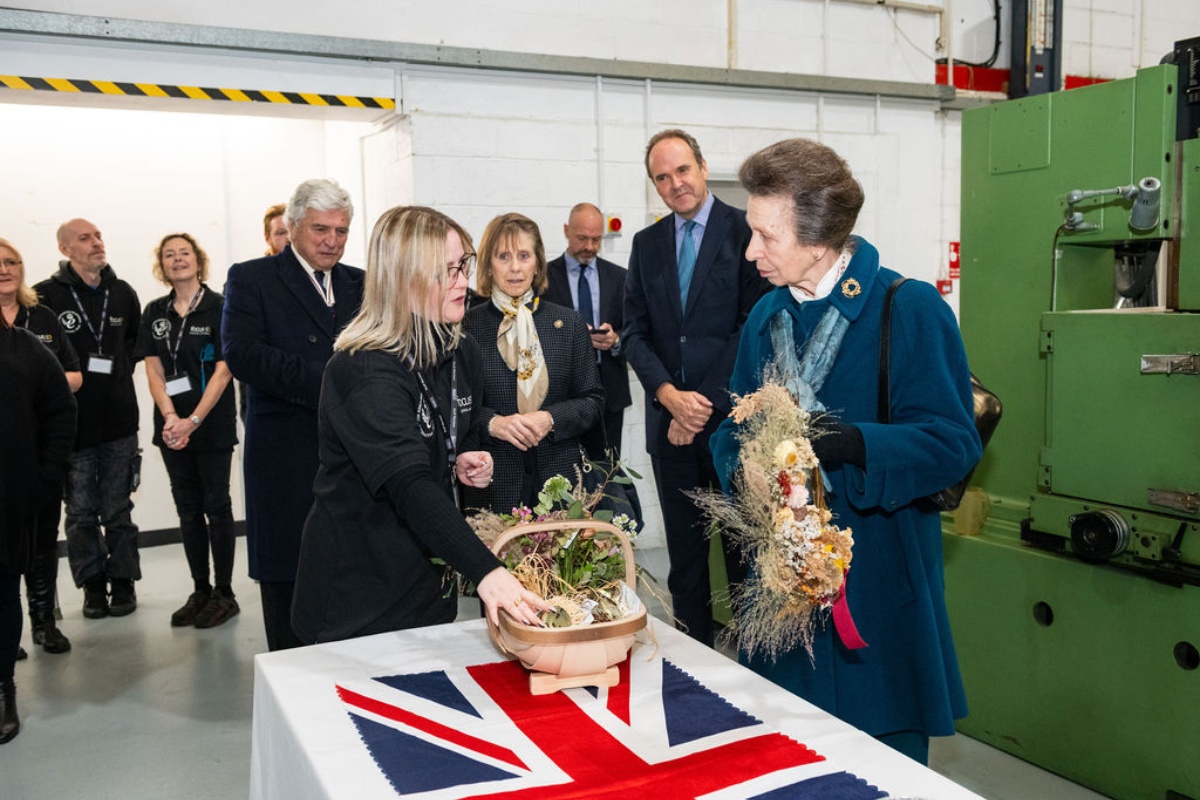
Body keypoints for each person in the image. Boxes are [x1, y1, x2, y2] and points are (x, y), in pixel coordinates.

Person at [710, 138, 982, 765]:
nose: (751, 252)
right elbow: (731, 426)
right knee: (787, 764)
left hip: (879, 591)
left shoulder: (907, 307)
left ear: (817, 237)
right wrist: (741, 464)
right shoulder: (765, 318)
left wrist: (854, 445)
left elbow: (952, 443)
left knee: (881, 768)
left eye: (764, 237)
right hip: (784, 598)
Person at [291, 206, 551, 643]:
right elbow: (409, 485)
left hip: (426, 584)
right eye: (445, 271)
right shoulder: (364, 369)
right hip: (357, 598)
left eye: (463, 265)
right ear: (402, 278)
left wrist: (464, 454)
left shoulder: (459, 348)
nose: (462, 282)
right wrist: (488, 573)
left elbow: (455, 430)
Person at [622, 129, 769, 646]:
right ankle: (692, 665)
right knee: (684, 560)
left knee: (741, 556)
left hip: (729, 425)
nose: (675, 184)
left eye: (682, 170)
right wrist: (668, 396)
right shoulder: (647, 245)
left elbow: (751, 325)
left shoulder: (744, 232)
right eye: (662, 177)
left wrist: (699, 406)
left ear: (703, 167)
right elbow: (633, 331)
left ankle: (754, 669)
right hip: (670, 425)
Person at [222, 179, 364, 651]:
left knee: (351, 575)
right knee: (289, 575)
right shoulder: (252, 278)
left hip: (352, 453)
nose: (332, 241)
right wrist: (333, 379)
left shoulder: (360, 283)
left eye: (341, 231)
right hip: (284, 452)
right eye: (321, 229)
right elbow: (242, 354)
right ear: (293, 226)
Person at [34, 219, 142, 620]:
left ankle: (124, 582)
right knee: (79, 512)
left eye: (98, 236)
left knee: (118, 508)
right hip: (71, 427)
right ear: (66, 250)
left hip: (119, 421)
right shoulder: (45, 297)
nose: (97, 243)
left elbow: (133, 343)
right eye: (85, 239)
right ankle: (93, 586)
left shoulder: (123, 292)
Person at [461, 213, 604, 515]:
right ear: (488, 264)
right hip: (494, 483)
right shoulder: (467, 327)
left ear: (538, 263)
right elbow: (456, 406)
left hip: (562, 481)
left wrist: (550, 418)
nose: (515, 267)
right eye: (503, 256)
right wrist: (494, 423)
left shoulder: (569, 323)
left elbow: (593, 401)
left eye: (524, 256)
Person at [137, 234, 239, 628]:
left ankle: (225, 593)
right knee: (188, 510)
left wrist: (192, 420)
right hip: (171, 429)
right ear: (161, 265)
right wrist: (169, 417)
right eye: (169, 255)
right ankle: (200, 589)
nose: (178, 260)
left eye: (185, 253)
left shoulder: (221, 308)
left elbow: (224, 370)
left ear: (199, 260)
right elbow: (153, 369)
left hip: (209, 425)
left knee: (217, 506)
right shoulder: (154, 311)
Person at [0, 239, 80, 656]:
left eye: (12, 261)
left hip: (35, 459)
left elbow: (73, 376)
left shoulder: (42, 316)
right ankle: (6, 633)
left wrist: (33, 380)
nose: (5, 269)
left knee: (41, 543)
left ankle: (44, 620)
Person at [0, 315, 77, 743]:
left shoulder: (22, 347)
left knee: (2, 593)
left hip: (7, 498)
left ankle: (3, 690)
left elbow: (62, 409)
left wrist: (45, 476)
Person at [542, 203, 631, 458]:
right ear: (566, 230)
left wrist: (615, 340)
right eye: (582, 238)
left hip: (609, 392)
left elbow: (634, 329)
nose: (589, 247)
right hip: (562, 393)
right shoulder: (544, 277)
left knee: (608, 471)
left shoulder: (620, 277)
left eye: (596, 239)